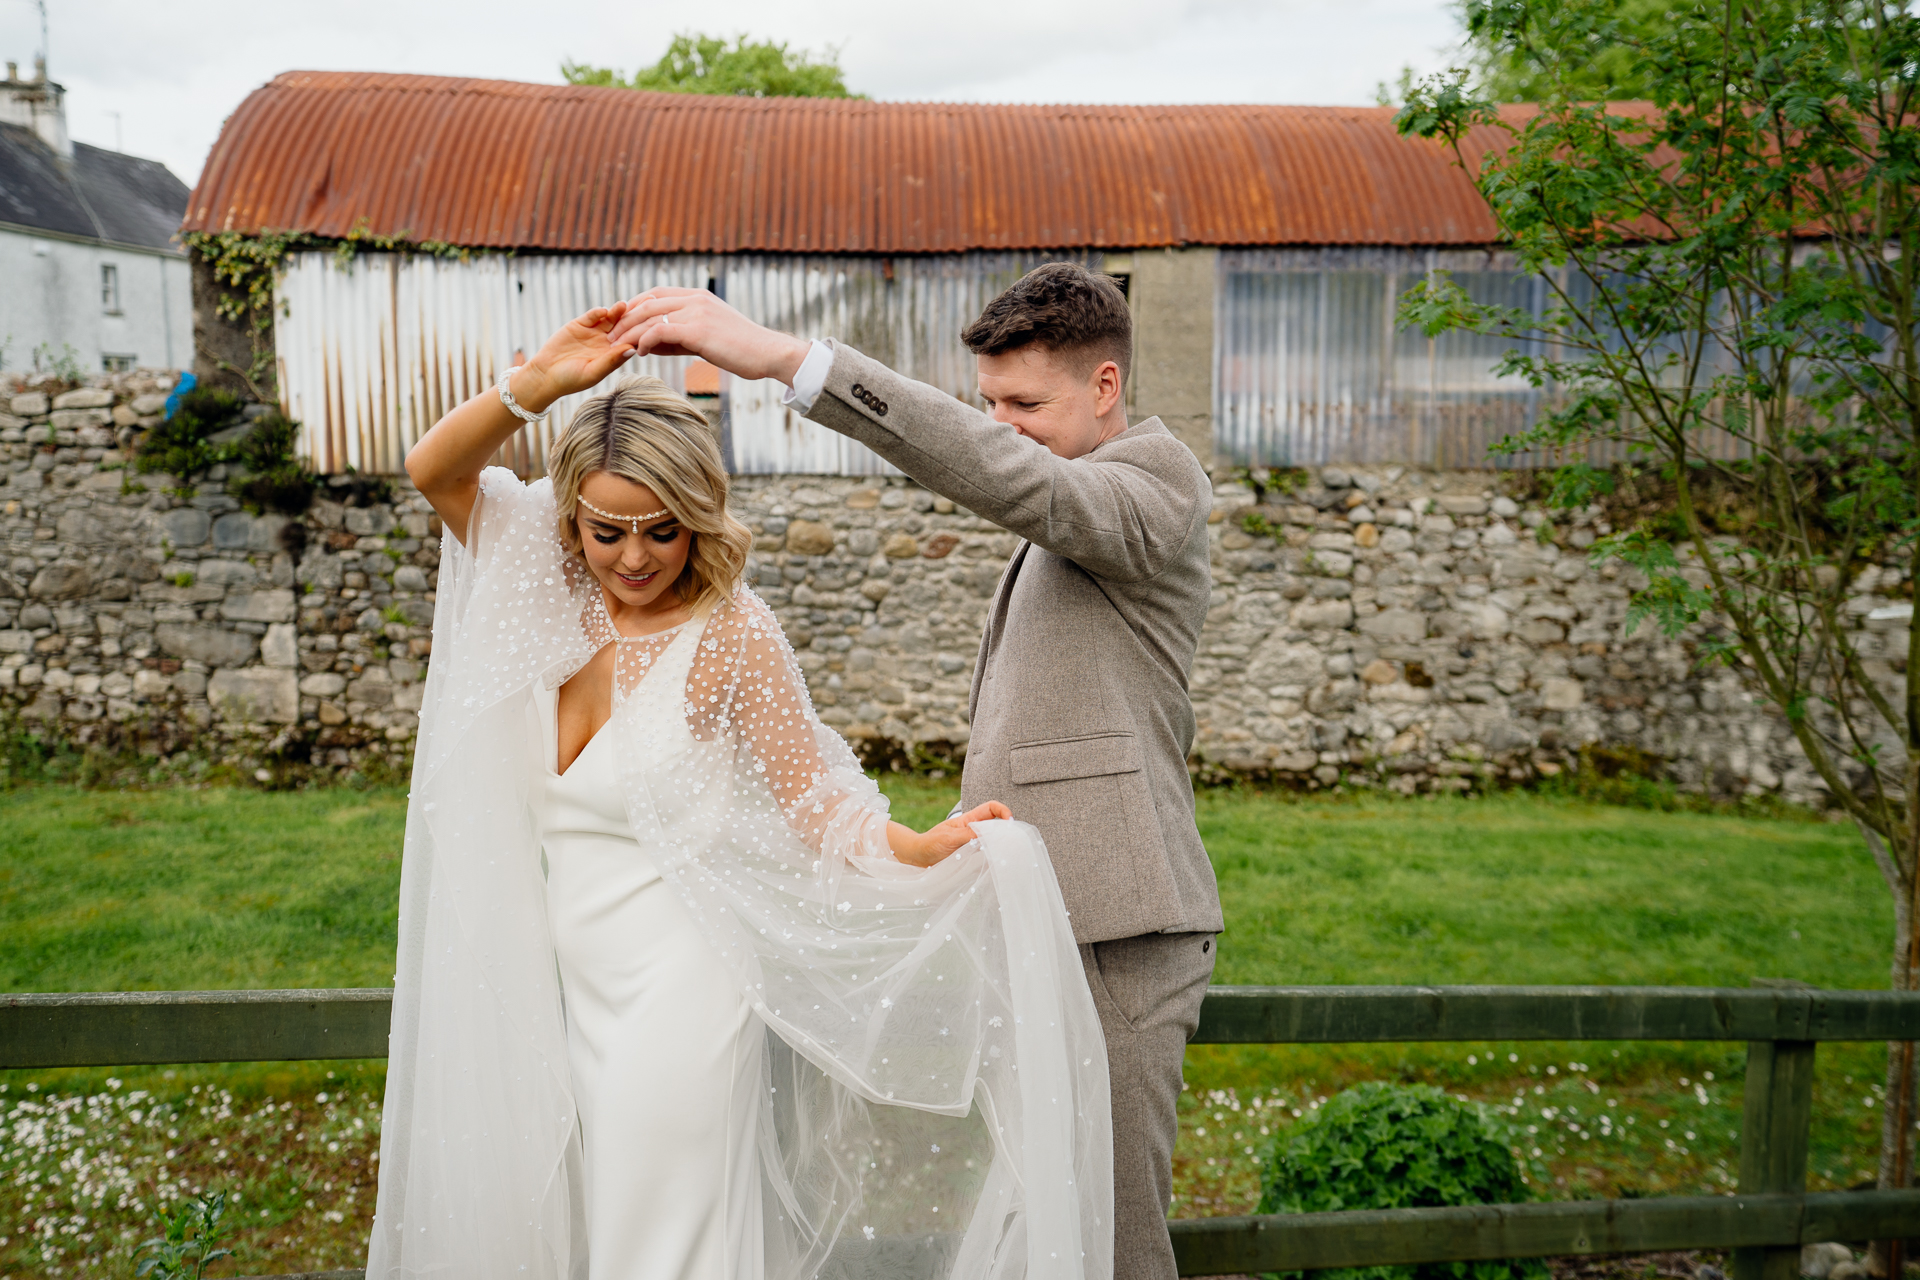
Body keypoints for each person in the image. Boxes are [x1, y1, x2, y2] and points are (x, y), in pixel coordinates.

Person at [365, 302, 1112, 1280]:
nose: (633, 557)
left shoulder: (731, 631)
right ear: (571, 520)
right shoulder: (540, 585)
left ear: (698, 516)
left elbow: (816, 803)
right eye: (606, 530)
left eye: (662, 530)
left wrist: (922, 845)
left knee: (662, 1235)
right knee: (587, 1224)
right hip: (558, 985)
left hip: (682, 988)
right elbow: (434, 468)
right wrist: (540, 381)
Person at [611, 263, 1222, 1280]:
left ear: (1106, 385)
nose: (1002, 426)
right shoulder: (1073, 511)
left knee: (1114, 1241)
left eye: (1024, 403)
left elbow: (1006, 475)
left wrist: (785, 360)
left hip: (1121, 935)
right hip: (1037, 924)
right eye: (989, 404)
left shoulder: (1156, 487)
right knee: (1049, 1226)